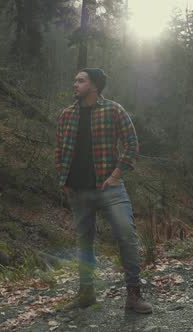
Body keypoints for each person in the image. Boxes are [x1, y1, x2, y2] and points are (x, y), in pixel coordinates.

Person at [55, 68, 152, 314]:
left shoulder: (113, 110)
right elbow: (60, 150)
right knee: (84, 243)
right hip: (78, 191)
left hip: (110, 188)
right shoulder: (66, 115)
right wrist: (64, 181)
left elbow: (132, 144)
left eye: (80, 80)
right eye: (75, 79)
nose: (74, 84)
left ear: (94, 86)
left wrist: (116, 174)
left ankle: (134, 295)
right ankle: (86, 294)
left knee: (126, 235)